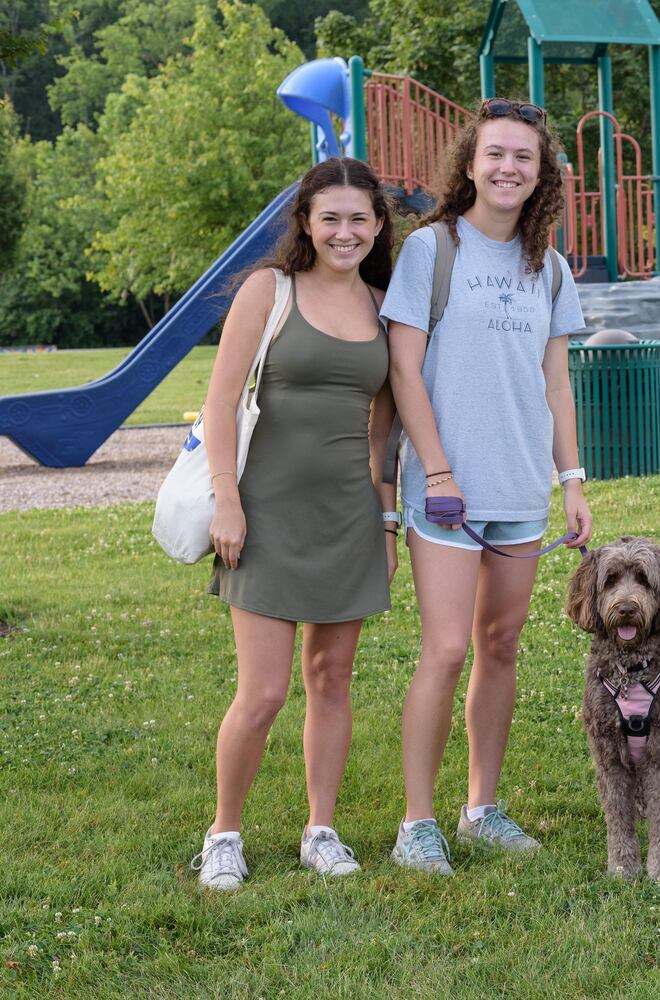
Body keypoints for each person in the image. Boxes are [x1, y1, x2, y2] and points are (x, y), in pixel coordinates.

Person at [381, 97, 592, 874]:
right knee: (443, 650)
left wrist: (570, 480)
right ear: (469, 163)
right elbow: (404, 370)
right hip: (447, 489)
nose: (509, 168)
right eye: (496, 153)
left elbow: (556, 382)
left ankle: (480, 809)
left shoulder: (551, 265)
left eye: (524, 158)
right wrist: (436, 471)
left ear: (542, 175)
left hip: (518, 486)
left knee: (498, 646)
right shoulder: (430, 251)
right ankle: (416, 822)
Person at [193, 157, 399, 889]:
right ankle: (224, 834)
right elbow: (219, 405)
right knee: (265, 691)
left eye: (359, 219)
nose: (345, 232)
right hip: (265, 515)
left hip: (349, 516)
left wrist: (387, 522)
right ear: (307, 224)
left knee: (333, 679)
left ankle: (320, 828)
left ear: (378, 226)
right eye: (330, 218)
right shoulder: (268, 291)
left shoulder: (383, 305)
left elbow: (381, 435)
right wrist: (227, 498)